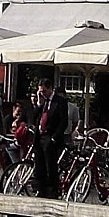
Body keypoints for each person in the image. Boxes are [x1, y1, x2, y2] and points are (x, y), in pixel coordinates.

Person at [32, 72, 69, 201]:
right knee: (39, 165)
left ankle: (52, 192)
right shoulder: (43, 102)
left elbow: (64, 121)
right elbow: (34, 117)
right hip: (40, 137)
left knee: (50, 166)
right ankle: (41, 190)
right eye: (40, 91)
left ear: (49, 88)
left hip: (51, 137)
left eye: (43, 91)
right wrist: (38, 103)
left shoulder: (59, 102)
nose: (42, 93)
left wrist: (54, 138)